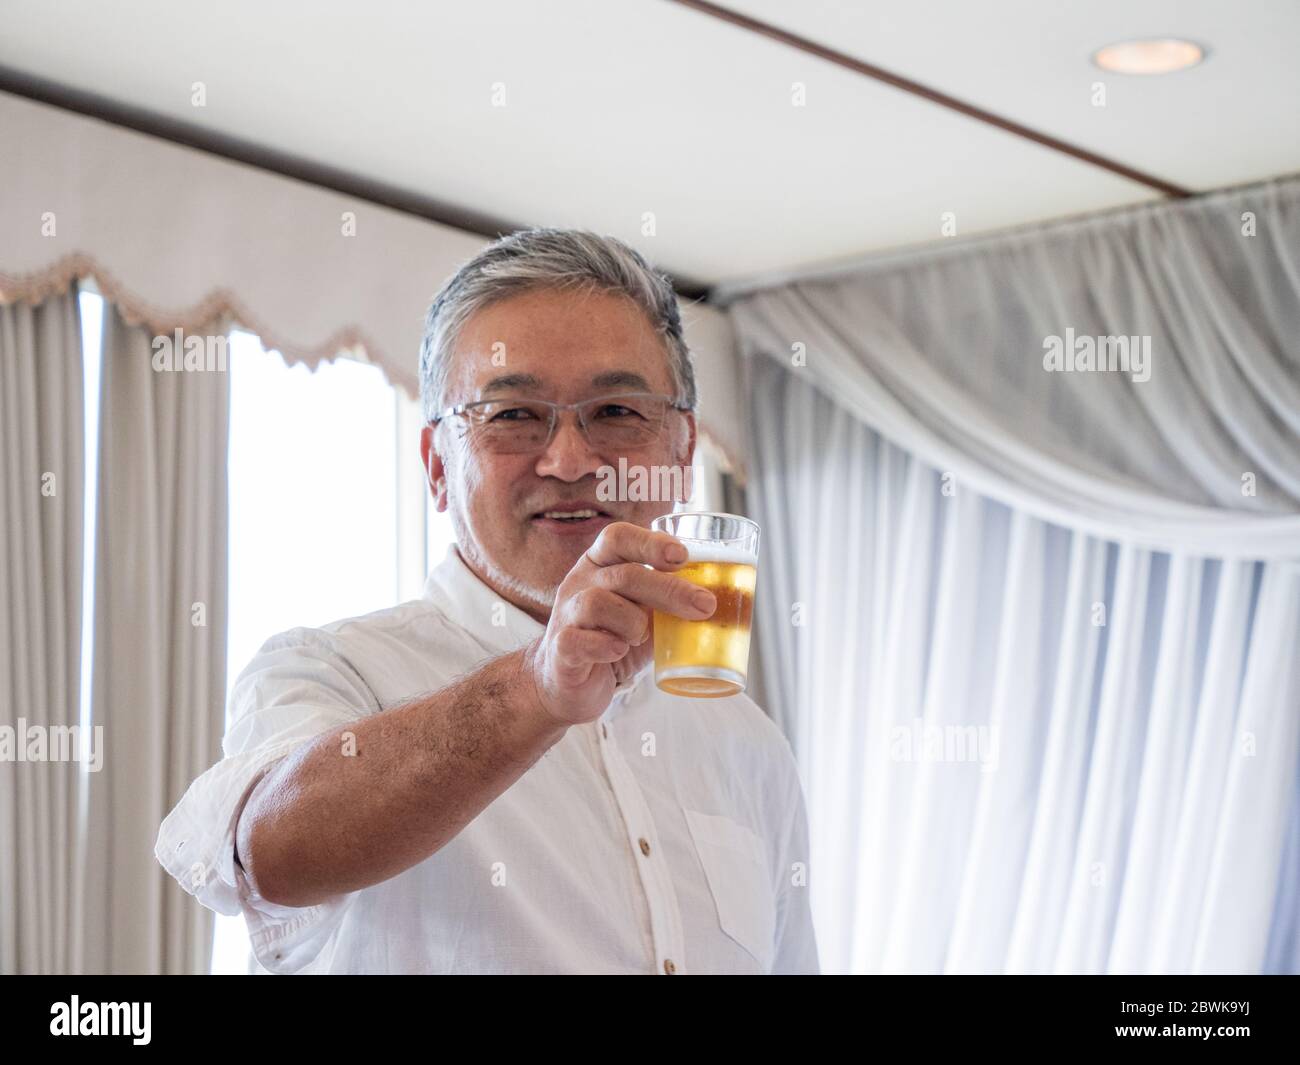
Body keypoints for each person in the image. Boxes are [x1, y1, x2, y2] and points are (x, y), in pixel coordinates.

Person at [156, 227, 819, 974]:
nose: (570, 460)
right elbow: (273, 853)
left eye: (616, 413)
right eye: (512, 415)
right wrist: (538, 682)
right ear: (438, 465)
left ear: (682, 453)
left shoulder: (746, 740)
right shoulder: (328, 668)